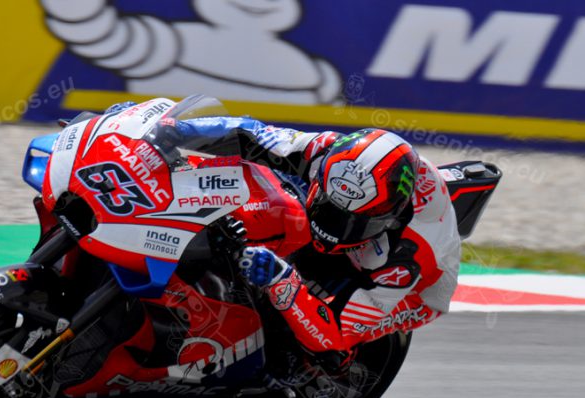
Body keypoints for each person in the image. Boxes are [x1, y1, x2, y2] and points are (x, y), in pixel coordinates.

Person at [111, 102, 462, 365]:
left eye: (349, 221)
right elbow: (248, 134)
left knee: (324, 345)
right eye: (326, 205)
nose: (331, 227)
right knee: (258, 198)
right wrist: (174, 133)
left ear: (388, 217)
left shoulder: (413, 255)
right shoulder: (326, 150)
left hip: (410, 292)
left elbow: (337, 332)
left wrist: (283, 281)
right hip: (354, 220)